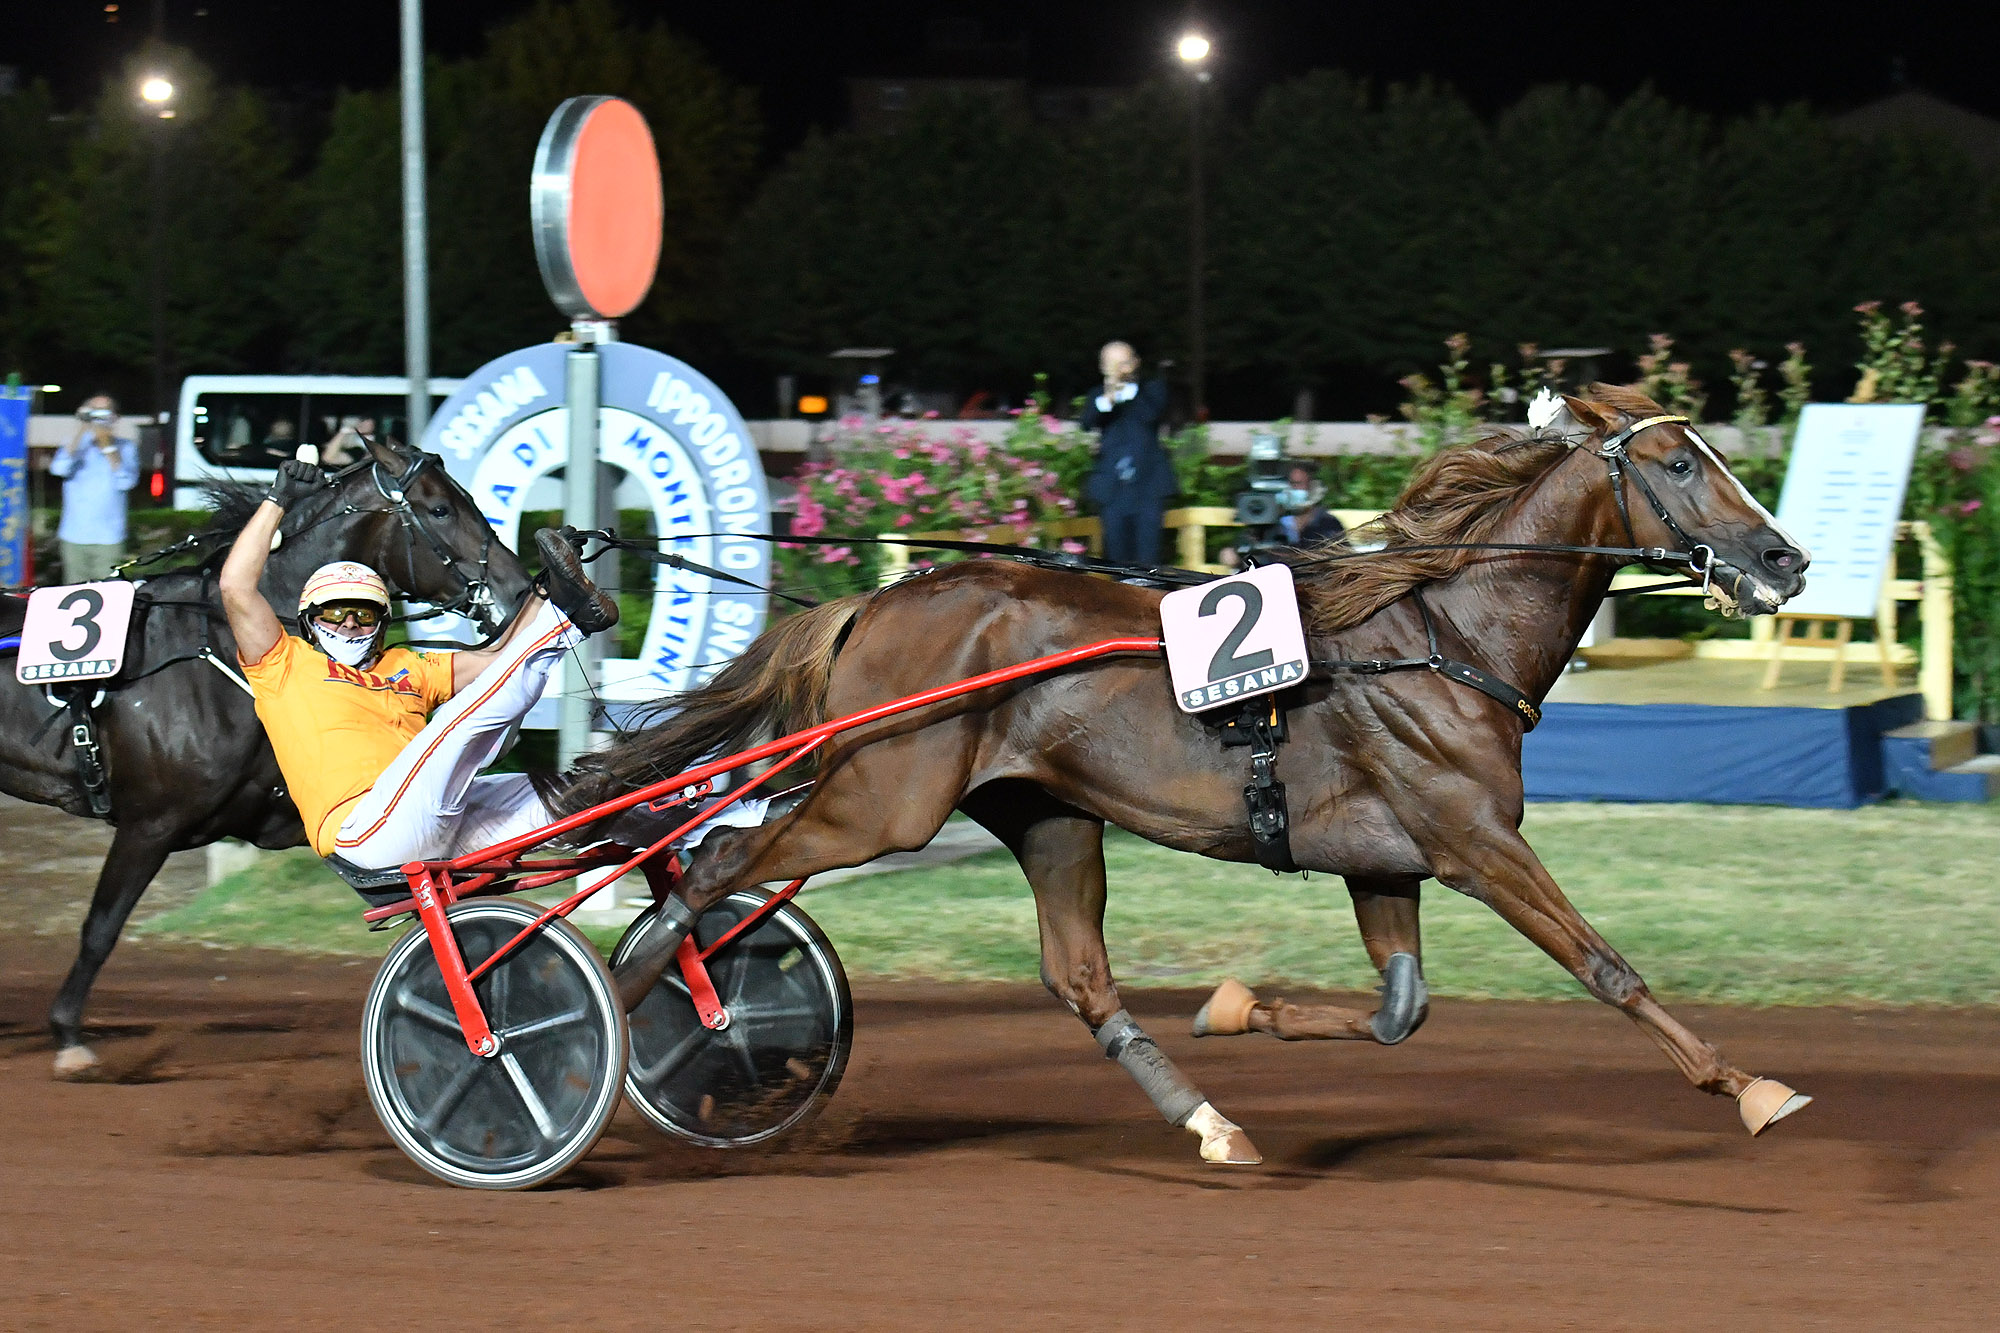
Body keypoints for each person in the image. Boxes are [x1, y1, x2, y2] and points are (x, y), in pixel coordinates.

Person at [218, 458, 764, 872]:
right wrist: (277, 501)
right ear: (310, 621)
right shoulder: (283, 665)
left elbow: (502, 663)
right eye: (337, 614)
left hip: (440, 823)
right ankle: (568, 618)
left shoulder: (405, 665)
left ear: (382, 623)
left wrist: (544, 591)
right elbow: (236, 587)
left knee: (586, 791)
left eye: (365, 615)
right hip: (365, 832)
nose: (352, 626)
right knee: (455, 726)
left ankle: (736, 824)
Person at [1079, 341, 1174, 566]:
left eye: (1124, 363)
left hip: (1148, 489)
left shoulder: (1152, 390)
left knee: (1148, 561)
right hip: (1113, 492)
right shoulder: (1098, 396)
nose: (1120, 369)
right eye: (1113, 365)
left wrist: (1127, 391)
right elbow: (1087, 422)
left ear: (1135, 363)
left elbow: (1151, 414)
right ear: (1103, 368)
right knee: (1116, 560)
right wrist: (1109, 397)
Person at [48, 394, 140, 582]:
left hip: (109, 536)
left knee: (107, 592)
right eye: (94, 411)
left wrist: (107, 446)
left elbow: (127, 481)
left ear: (114, 417)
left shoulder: (126, 447)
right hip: (74, 534)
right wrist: (82, 429)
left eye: (104, 412)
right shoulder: (75, 445)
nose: (98, 417)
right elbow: (59, 468)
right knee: (73, 592)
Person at [1276, 462, 1346, 547]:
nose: (1292, 489)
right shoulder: (1276, 524)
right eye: (1290, 484)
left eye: (1298, 484)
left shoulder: (1329, 524)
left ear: (1312, 487)